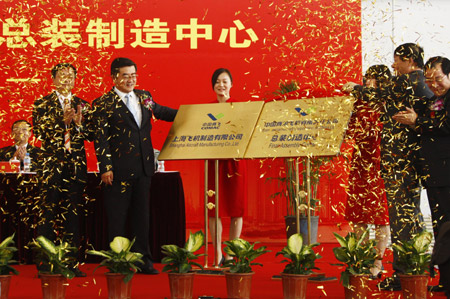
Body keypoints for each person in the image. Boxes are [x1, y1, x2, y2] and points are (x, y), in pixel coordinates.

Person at [343, 43, 434, 290]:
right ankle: (409, 271)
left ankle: (407, 272)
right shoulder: (417, 82)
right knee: (405, 219)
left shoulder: (411, 80)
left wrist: (357, 88)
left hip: (400, 164)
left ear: (411, 60)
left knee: (402, 220)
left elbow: (379, 92)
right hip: (401, 164)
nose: (394, 65)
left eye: (397, 60)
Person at [91, 57, 177, 275]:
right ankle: (118, 261)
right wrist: (105, 167)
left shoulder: (143, 96)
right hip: (117, 170)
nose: (130, 80)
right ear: (114, 77)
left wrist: (188, 114)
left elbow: (161, 112)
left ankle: (143, 260)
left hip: (144, 168)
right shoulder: (103, 103)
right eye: (125, 75)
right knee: (118, 216)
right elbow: (100, 138)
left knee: (142, 216)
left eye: (133, 75)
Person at [393, 56, 450, 293]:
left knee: (448, 227)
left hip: (447, 175)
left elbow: (445, 127)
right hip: (435, 175)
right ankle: (445, 280)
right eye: (429, 80)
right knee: (440, 228)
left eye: (438, 79)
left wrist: (418, 122)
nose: (433, 84)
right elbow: (429, 120)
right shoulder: (436, 100)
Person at [32, 62, 92, 277]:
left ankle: (71, 263)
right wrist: (61, 122)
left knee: (72, 215)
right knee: (48, 213)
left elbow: (92, 135)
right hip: (51, 167)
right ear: (54, 79)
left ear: (76, 80)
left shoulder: (82, 104)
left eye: (71, 76)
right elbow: (38, 133)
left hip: (75, 168)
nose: (67, 79)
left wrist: (77, 124)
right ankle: (45, 263)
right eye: (62, 75)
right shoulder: (42, 104)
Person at [345, 65, 391, 279]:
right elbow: (349, 131)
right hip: (360, 163)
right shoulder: (358, 103)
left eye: (374, 80)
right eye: (368, 79)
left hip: (381, 164)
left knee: (381, 216)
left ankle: (378, 261)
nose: (369, 83)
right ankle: (362, 258)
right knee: (358, 215)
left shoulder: (388, 102)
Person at [207, 68, 247, 266]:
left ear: (231, 84)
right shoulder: (207, 110)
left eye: (224, 81)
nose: (221, 85)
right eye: (217, 82)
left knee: (236, 208)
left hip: (235, 162)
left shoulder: (240, 107)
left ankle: (231, 254)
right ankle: (217, 253)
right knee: (213, 208)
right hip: (213, 162)